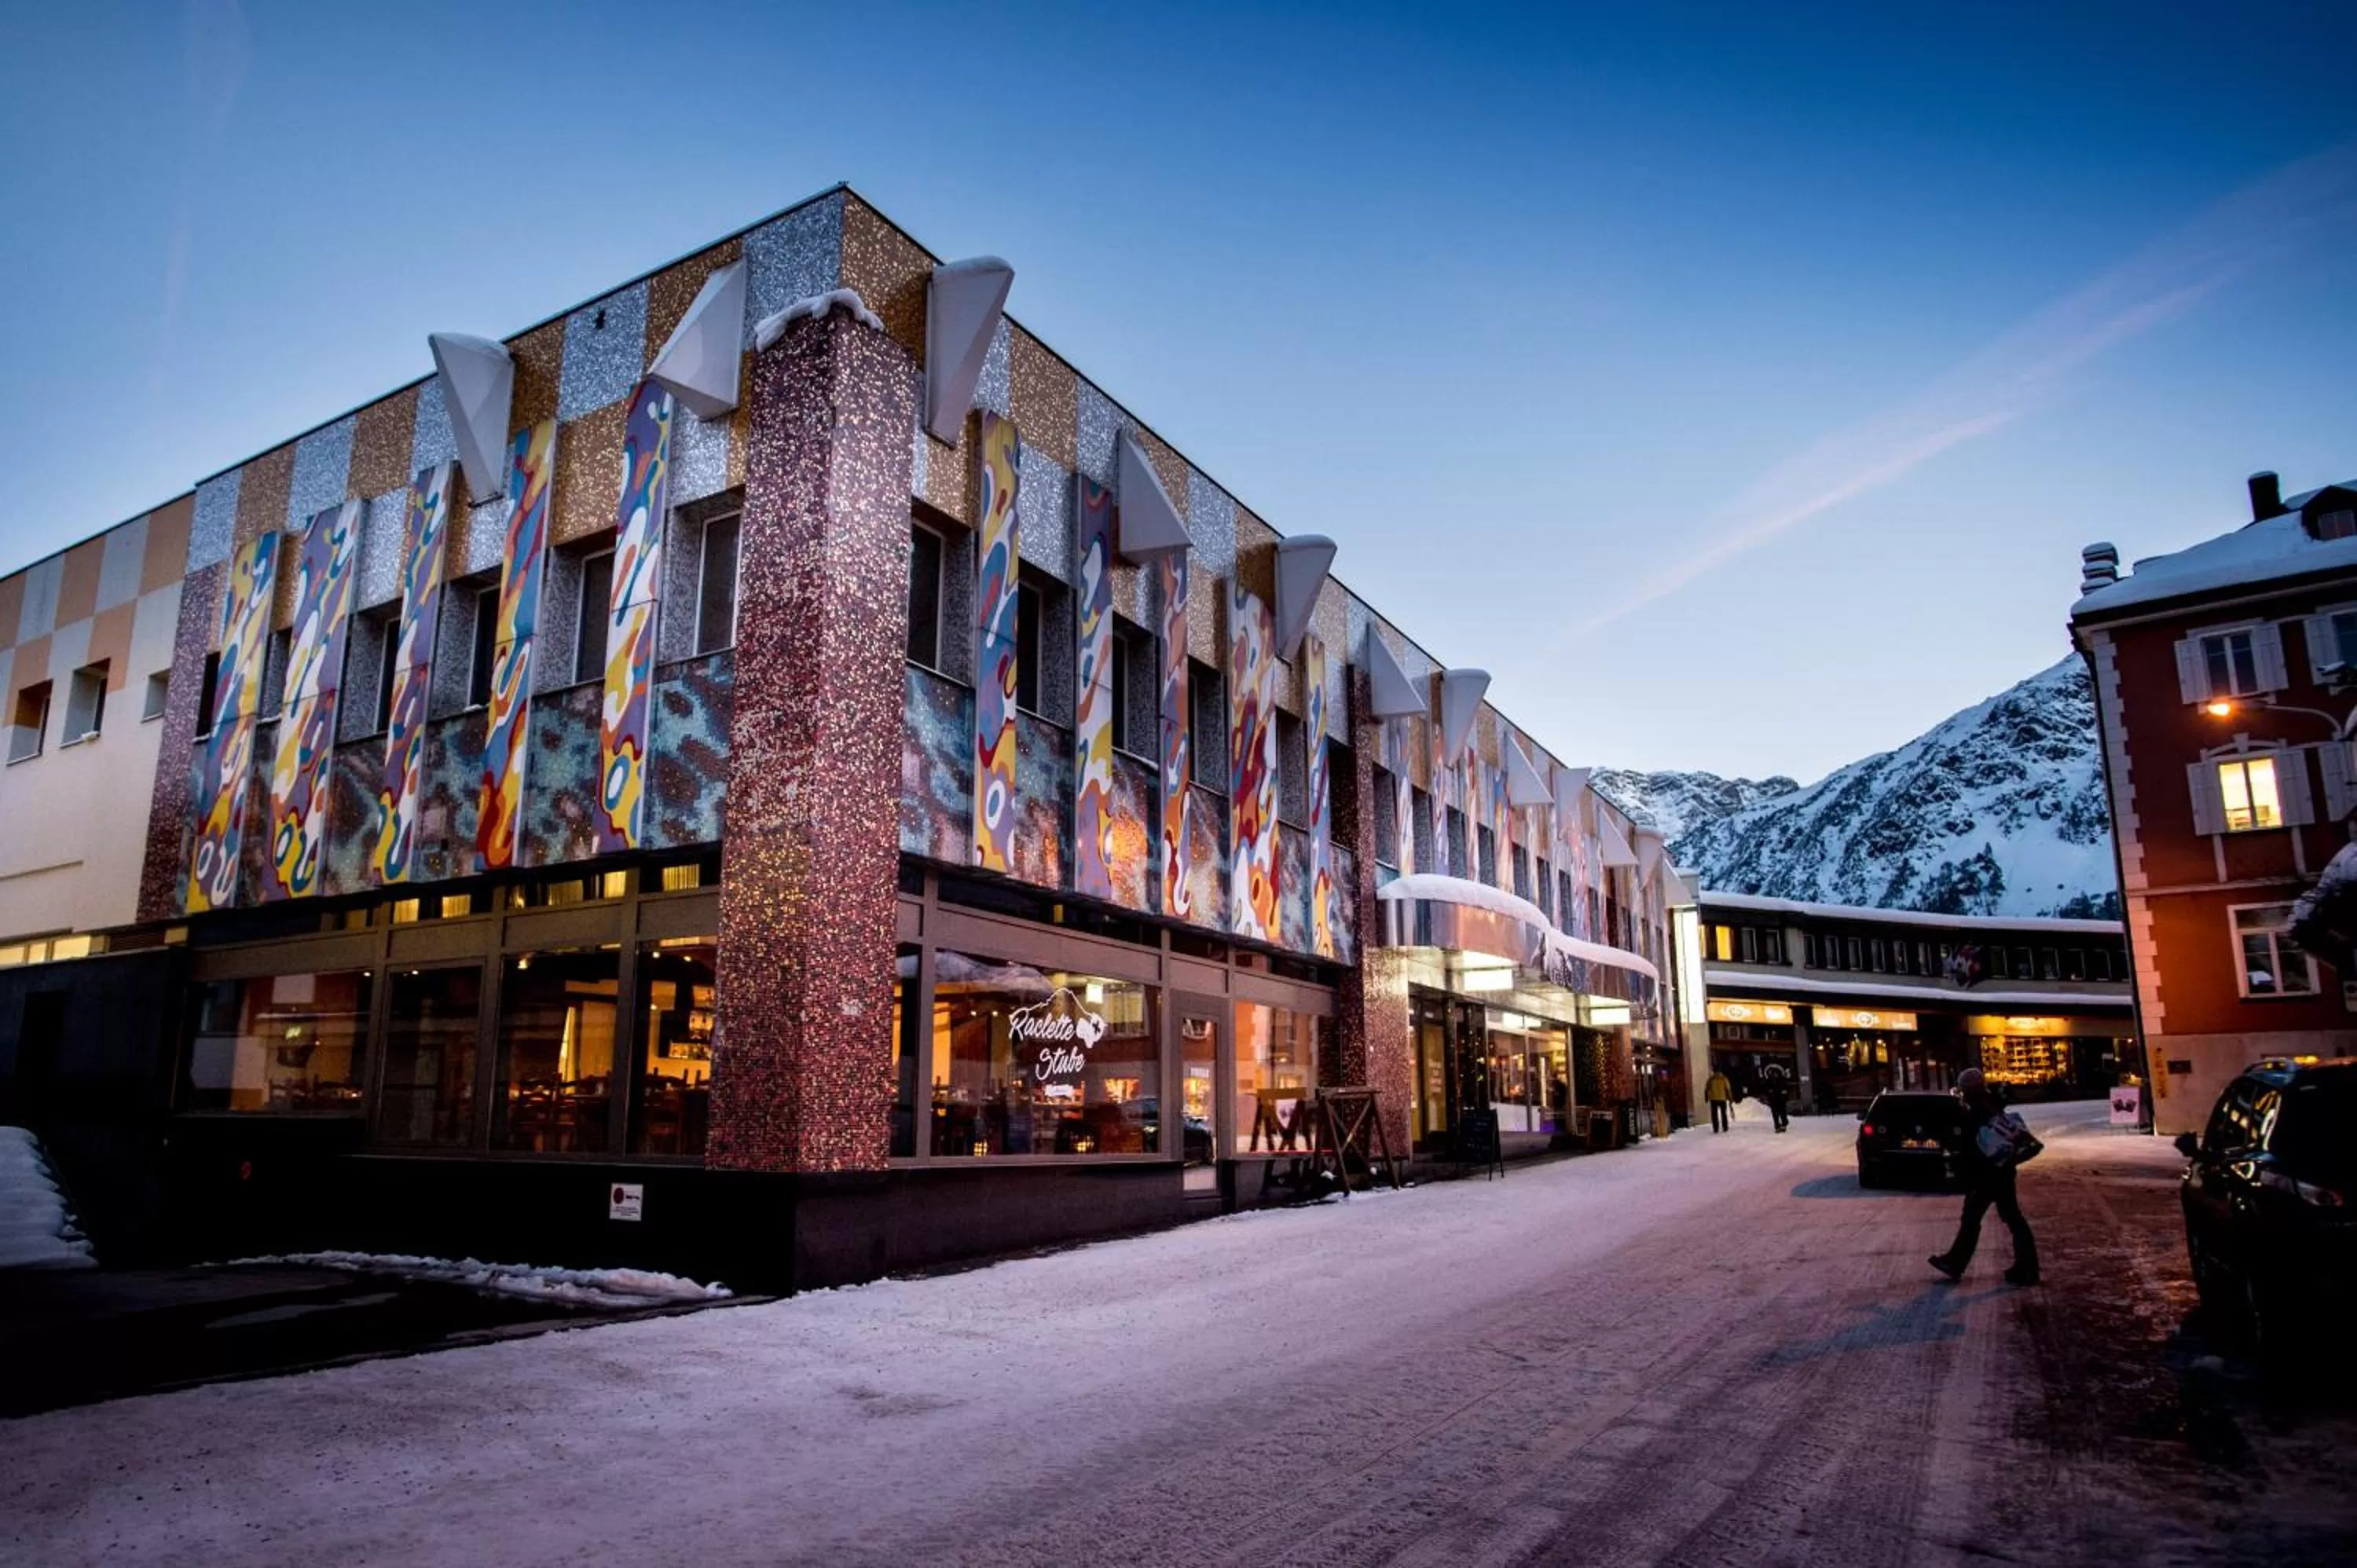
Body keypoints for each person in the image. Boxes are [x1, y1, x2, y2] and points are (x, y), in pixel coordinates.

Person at [1930, 1068, 2040, 1286]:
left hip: (1985, 1177)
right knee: (2011, 1219)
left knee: (1973, 1219)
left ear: (1967, 1089)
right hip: (2002, 1172)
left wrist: (1961, 1172)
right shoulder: (1992, 1104)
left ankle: (1956, 1263)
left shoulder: (1975, 1113)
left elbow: (1972, 1148)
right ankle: (2027, 1267)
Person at [1760, 1061, 1792, 1133]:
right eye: (1773, 1074)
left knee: (1782, 1112)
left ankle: (1784, 1123)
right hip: (1773, 1100)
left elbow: (1786, 1088)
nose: (1775, 1075)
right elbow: (1765, 1089)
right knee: (1775, 1114)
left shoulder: (1782, 1080)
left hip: (1781, 1100)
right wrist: (1768, 1094)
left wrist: (1784, 1095)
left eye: (1776, 1074)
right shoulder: (1768, 1082)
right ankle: (1777, 1126)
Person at [1704, 1067, 1732, 1133]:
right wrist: (1730, 1098)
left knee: (1714, 1115)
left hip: (1713, 1099)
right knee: (1723, 1114)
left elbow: (1707, 1089)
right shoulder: (1724, 1079)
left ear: (1714, 1071)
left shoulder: (1711, 1079)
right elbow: (1728, 1089)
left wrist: (1706, 1098)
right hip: (1722, 1099)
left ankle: (1716, 1128)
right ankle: (1725, 1127)